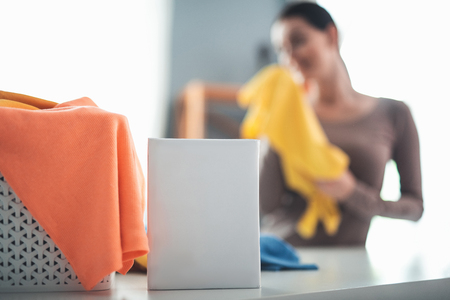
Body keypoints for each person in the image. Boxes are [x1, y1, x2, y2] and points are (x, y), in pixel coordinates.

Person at [257, 2, 423, 246]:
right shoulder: (288, 115)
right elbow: (266, 205)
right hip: (284, 257)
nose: (289, 58)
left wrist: (352, 193)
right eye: (282, 50)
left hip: (350, 267)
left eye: (298, 41)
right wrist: (272, 130)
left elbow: (415, 207)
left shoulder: (394, 113)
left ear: (331, 36)